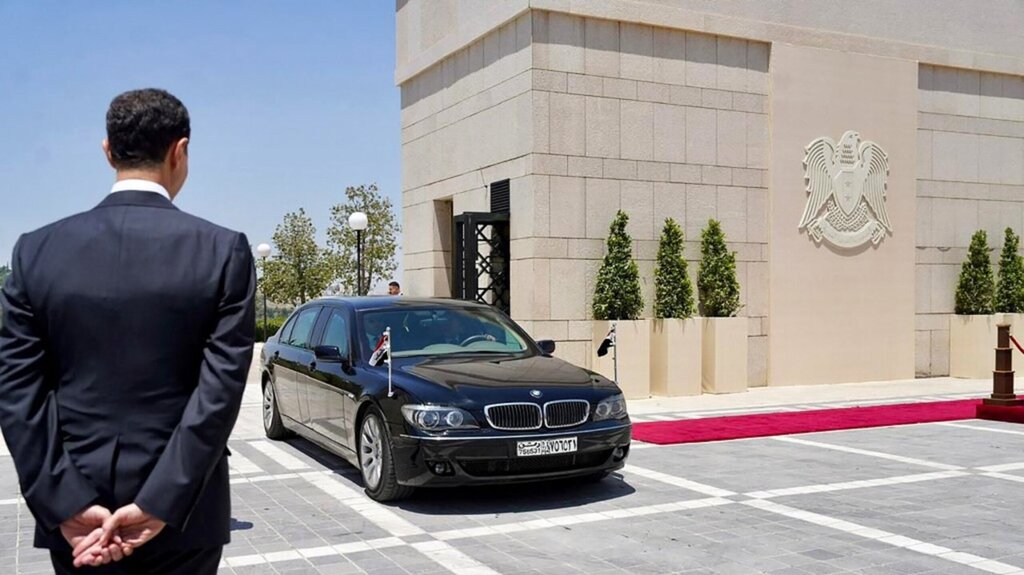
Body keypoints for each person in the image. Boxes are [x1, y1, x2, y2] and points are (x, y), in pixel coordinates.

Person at [0, 89, 255, 574]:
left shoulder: (35, 251)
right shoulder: (222, 250)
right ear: (180, 150)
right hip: (184, 514)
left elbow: (18, 392)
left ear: (108, 151)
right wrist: (161, 501)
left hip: (78, 516)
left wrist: (65, 502)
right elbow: (219, 394)